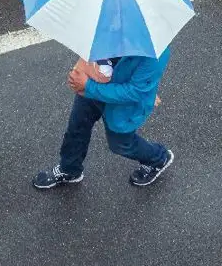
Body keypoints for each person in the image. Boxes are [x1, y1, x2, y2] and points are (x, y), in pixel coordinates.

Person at [32, 49, 173, 189]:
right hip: (95, 80)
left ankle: (159, 158)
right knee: (77, 127)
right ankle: (69, 169)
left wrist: (88, 86)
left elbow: (134, 92)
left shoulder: (156, 51)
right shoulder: (113, 33)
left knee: (121, 145)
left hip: (121, 104)